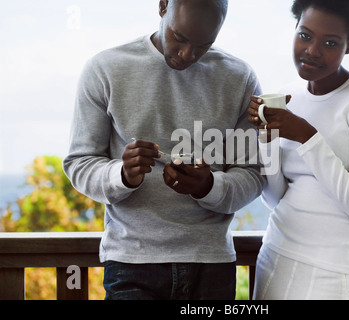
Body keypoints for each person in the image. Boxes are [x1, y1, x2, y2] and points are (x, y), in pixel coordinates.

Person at [63, 0, 265, 300]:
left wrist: (210, 186)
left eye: (204, 45)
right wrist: (122, 175)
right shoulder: (105, 68)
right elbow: (79, 164)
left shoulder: (240, 77)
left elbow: (254, 174)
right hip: (132, 263)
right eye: (179, 38)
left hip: (211, 265)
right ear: (162, 6)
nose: (187, 55)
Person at [248, 0, 349, 300]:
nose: (312, 50)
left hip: (332, 271)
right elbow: (275, 198)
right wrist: (267, 139)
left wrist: (306, 135)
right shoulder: (289, 96)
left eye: (330, 42)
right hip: (275, 255)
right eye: (305, 35)